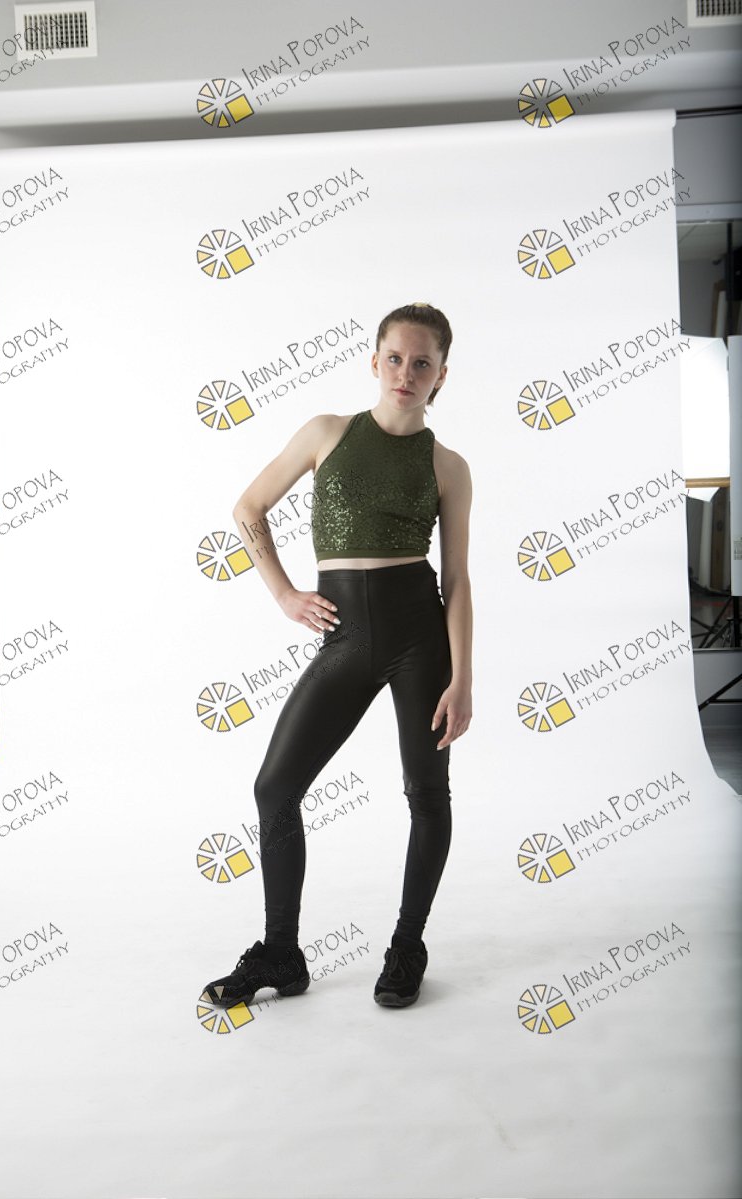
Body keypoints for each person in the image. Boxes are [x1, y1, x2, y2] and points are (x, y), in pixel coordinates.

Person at [202, 302, 473, 1009]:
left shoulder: (448, 466)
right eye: (395, 358)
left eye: (422, 363)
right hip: (346, 636)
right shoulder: (327, 433)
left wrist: (463, 679)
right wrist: (284, 592)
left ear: (441, 375)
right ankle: (281, 953)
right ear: (375, 361)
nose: (406, 372)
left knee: (427, 794)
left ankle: (407, 945)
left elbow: (457, 580)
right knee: (275, 788)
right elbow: (248, 508)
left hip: (420, 638)